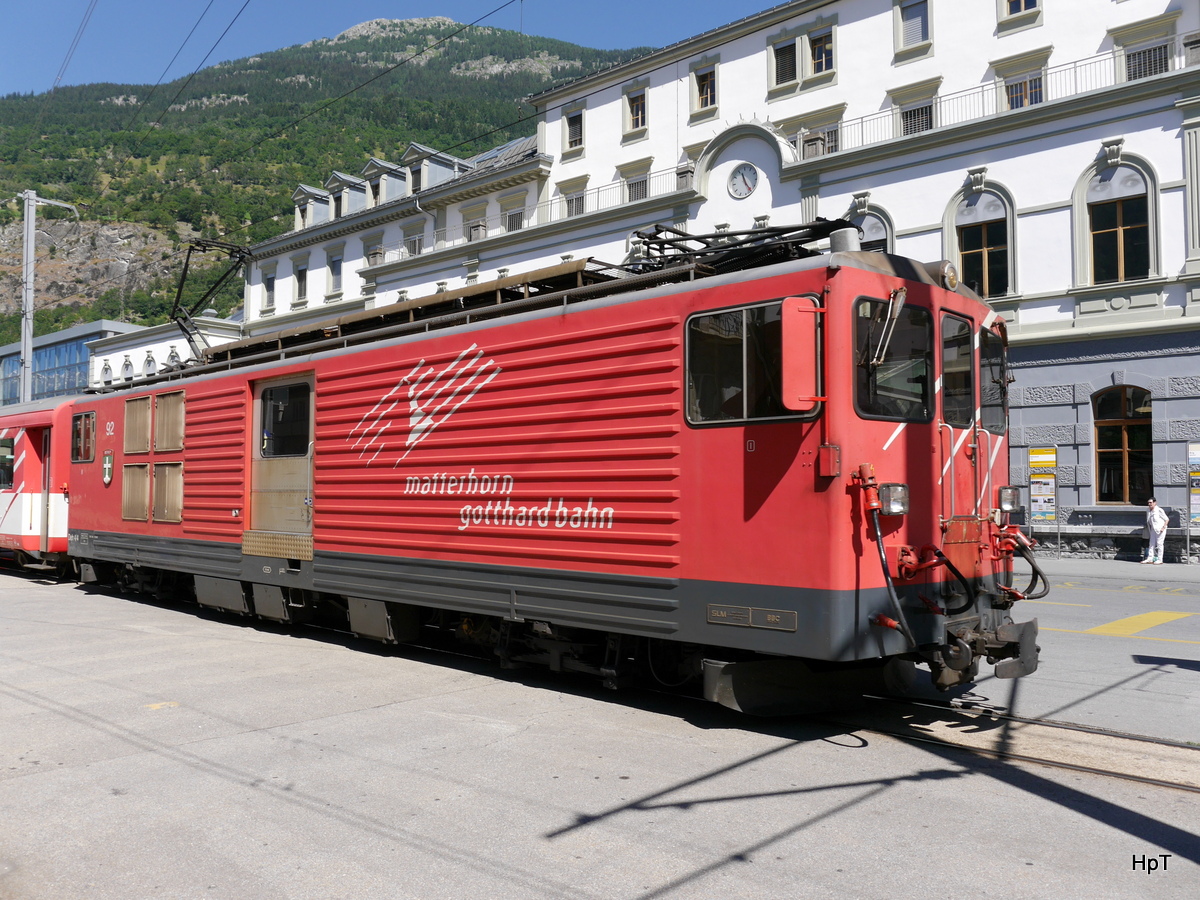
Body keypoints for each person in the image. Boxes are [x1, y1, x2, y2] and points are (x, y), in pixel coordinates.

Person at [1143, 497, 1168, 564]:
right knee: (1151, 544)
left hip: (1160, 529)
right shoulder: (1148, 510)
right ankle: (1150, 558)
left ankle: (1160, 559)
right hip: (1152, 529)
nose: (1149, 504)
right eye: (1148, 503)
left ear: (1155, 503)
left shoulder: (1159, 510)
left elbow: (1167, 519)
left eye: (1151, 502)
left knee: (1160, 544)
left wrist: (1163, 527)